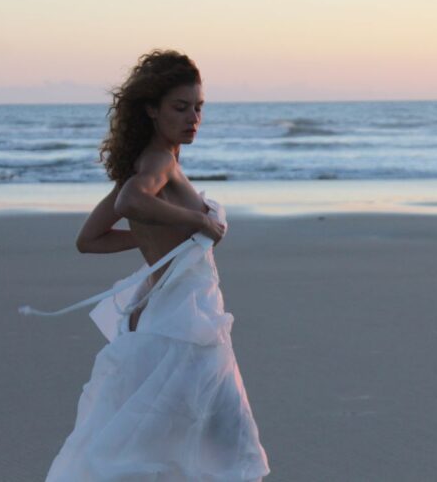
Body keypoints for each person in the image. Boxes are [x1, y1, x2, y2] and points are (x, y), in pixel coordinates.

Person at [35, 49, 270, 481]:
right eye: (180, 108)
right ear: (151, 110)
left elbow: (90, 239)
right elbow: (130, 202)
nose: (193, 118)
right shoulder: (159, 162)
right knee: (223, 441)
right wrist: (198, 221)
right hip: (186, 325)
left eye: (198, 107)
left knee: (163, 444)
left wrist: (157, 239)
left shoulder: (148, 163)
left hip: (168, 318)